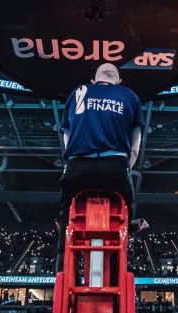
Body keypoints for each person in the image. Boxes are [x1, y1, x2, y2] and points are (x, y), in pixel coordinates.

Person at [55, 63, 145, 274]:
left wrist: (73, 159)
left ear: (93, 81)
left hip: (77, 168)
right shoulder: (130, 96)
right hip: (114, 167)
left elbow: (65, 134)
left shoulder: (79, 92)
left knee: (65, 210)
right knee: (127, 205)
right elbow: (135, 144)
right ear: (119, 82)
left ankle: (63, 265)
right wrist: (126, 168)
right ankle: (121, 248)